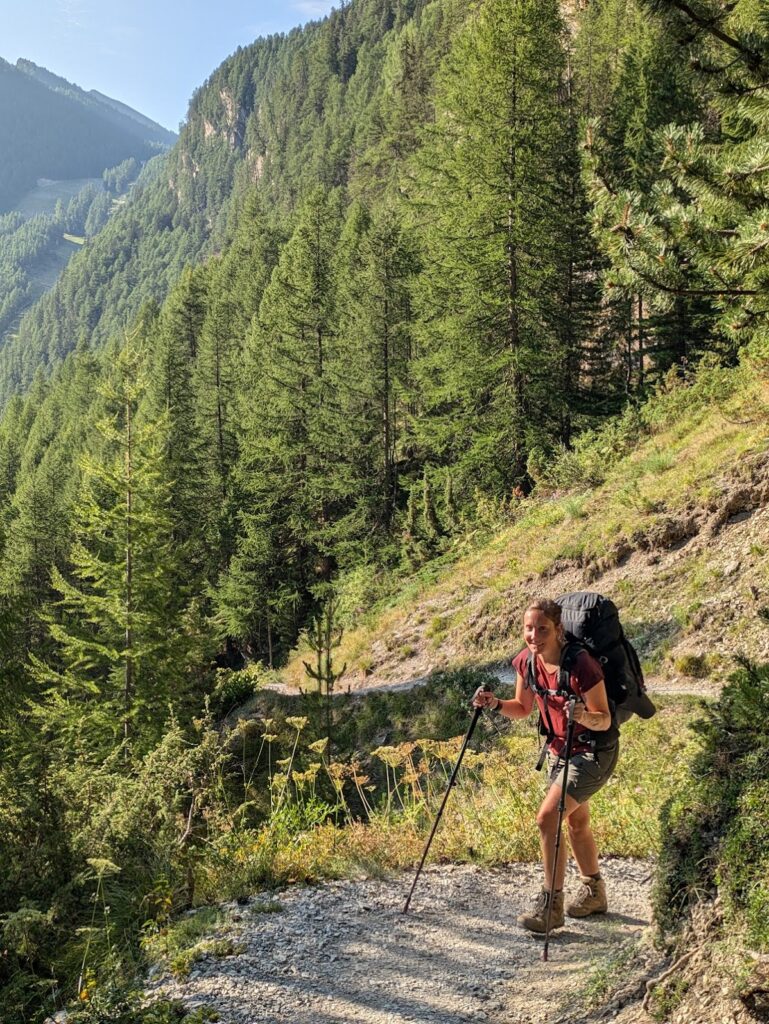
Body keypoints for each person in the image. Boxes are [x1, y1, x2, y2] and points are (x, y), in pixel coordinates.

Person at [472, 597, 619, 933]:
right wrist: (493, 704)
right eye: (528, 628)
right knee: (576, 822)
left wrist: (583, 714)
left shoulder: (582, 666)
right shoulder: (526, 662)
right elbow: (522, 708)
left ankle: (551, 905)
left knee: (547, 818)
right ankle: (594, 893)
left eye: (542, 628)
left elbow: (605, 720)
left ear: (558, 629)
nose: (534, 635)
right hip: (559, 750)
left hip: (593, 751)